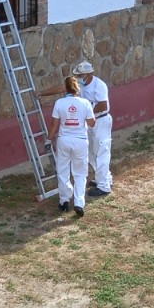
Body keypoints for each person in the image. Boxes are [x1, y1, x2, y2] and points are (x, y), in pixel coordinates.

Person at [48, 74, 94, 216]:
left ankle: (64, 200)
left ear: (65, 89)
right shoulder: (85, 103)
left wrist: (49, 138)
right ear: (77, 89)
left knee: (63, 171)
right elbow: (92, 122)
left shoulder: (59, 103)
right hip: (80, 140)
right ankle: (79, 202)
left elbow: (54, 124)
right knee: (80, 173)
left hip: (64, 140)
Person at [74, 60, 113, 197]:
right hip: (91, 121)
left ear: (89, 74)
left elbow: (103, 105)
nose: (79, 78)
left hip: (100, 121)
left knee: (102, 151)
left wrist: (88, 114)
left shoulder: (99, 85)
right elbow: (63, 87)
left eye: (81, 75)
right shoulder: (80, 84)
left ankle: (104, 186)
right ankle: (103, 178)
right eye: (78, 76)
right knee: (90, 152)